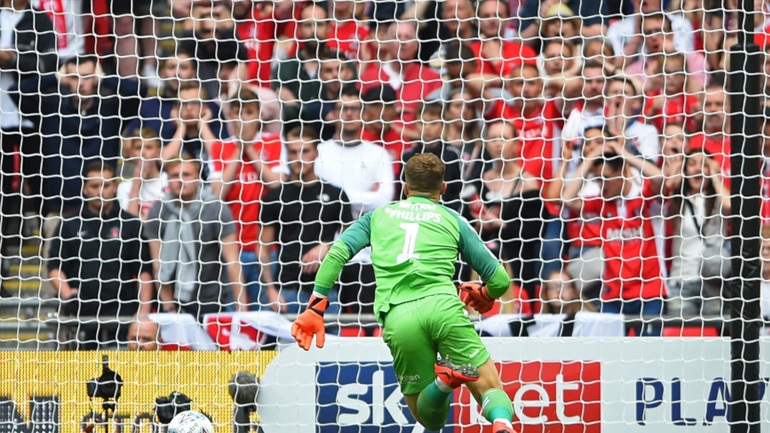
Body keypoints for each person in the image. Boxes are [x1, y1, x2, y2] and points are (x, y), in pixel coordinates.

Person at [291, 153, 517, 433]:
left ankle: (444, 382)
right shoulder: (453, 219)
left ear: (406, 188)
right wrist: (486, 293)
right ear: (443, 188)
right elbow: (500, 280)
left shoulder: (376, 217)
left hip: (399, 318)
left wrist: (315, 308)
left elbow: (337, 253)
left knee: (430, 420)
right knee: (490, 389)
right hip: (444, 309)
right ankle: (502, 423)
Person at [48, 162, 153, 349]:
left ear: (114, 187)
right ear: (85, 188)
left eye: (106, 185)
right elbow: (55, 267)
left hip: (122, 314)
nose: (100, 191)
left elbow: (144, 271)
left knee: (121, 365)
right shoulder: (69, 224)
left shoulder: (131, 224)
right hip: (81, 315)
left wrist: (143, 312)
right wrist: (66, 292)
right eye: (94, 186)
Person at [258, 125, 352, 313]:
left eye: (305, 151)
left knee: (329, 335)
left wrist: (327, 247)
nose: (299, 157)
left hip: (326, 291)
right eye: (293, 152)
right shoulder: (274, 197)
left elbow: (352, 240)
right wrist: (270, 290)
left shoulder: (336, 195)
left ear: (316, 152)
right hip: (286, 290)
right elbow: (262, 248)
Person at [142, 155, 247, 319]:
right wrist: (169, 307)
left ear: (198, 177)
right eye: (175, 175)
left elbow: (232, 262)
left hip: (214, 300)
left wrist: (242, 309)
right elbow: (157, 264)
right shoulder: (158, 211)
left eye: (186, 175)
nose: (180, 180)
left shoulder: (215, 208)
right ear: (167, 179)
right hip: (173, 302)